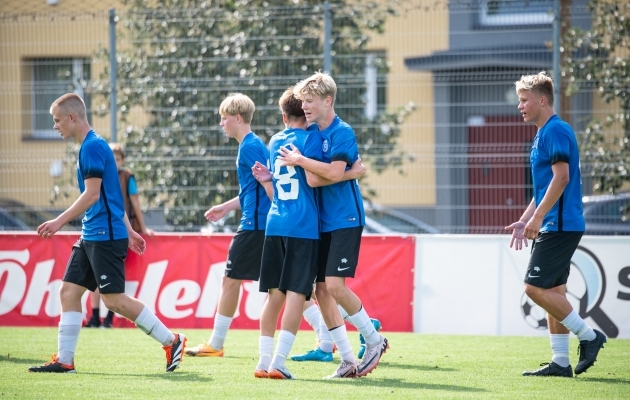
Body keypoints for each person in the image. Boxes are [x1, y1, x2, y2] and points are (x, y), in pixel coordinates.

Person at [28, 93, 185, 374]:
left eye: (57, 120)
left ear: (72, 118)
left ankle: (172, 340)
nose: (55, 126)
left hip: (104, 236)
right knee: (68, 291)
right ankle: (65, 360)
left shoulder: (92, 148)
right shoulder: (93, 146)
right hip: (94, 233)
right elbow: (112, 197)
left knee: (113, 300)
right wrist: (129, 229)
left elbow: (92, 195)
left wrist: (58, 222)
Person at [278, 71, 388, 378]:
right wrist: (347, 172)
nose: (305, 108)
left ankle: (374, 340)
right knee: (321, 291)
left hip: (345, 219)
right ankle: (349, 361)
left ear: (328, 101)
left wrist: (305, 162)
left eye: (310, 101)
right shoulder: (312, 134)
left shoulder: (342, 132)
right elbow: (317, 179)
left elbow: (333, 173)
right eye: (302, 102)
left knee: (336, 286)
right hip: (319, 223)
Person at [505, 71, 606, 378]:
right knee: (554, 290)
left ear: (543, 100)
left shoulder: (555, 131)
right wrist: (525, 220)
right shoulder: (543, 134)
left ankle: (590, 337)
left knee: (534, 288)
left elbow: (562, 179)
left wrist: (537, 219)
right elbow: (546, 186)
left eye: (524, 100)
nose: (520, 106)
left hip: (560, 225)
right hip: (554, 223)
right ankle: (561, 362)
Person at [184, 93, 272, 358]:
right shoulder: (249, 144)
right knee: (284, 285)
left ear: (237, 117)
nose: (221, 123)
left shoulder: (250, 146)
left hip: (255, 226)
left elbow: (268, 187)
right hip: (259, 223)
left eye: (224, 118)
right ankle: (330, 336)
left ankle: (216, 343)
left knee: (230, 279)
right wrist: (225, 207)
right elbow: (252, 190)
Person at [251, 87, 323, 380]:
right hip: (303, 227)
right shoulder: (312, 139)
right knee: (297, 295)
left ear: (283, 116)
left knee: (273, 296)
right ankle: (279, 361)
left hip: (275, 224)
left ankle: (263, 361)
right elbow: (317, 178)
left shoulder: (275, 140)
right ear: (305, 112)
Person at [85, 143, 155, 329]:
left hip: (118, 231)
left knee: (112, 277)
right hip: (99, 231)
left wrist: (142, 227)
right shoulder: (99, 175)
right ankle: (94, 317)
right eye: (111, 158)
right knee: (95, 276)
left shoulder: (126, 177)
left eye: (117, 159)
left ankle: (108, 319)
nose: (114, 162)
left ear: (122, 161)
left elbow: (134, 203)